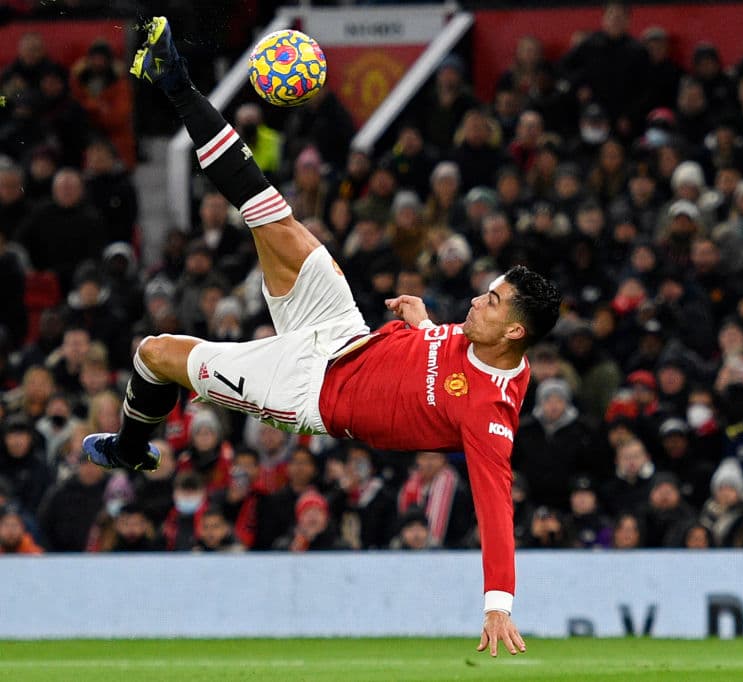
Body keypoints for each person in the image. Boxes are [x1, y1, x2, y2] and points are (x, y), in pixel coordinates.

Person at [84, 18, 560, 657]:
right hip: (343, 330)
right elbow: (446, 346)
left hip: (309, 390)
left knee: (153, 353)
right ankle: (176, 83)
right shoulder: (485, 337)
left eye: (492, 300)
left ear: (516, 331)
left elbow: (495, 506)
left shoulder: (488, 413)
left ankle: (133, 447)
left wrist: (498, 602)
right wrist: (423, 323)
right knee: (265, 207)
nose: (478, 299)